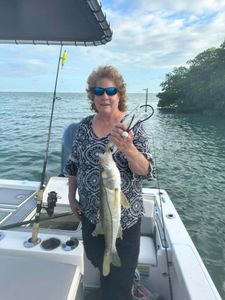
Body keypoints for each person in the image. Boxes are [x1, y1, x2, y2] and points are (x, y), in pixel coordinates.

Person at [64, 65, 153, 300]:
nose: (105, 96)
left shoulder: (131, 127)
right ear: (92, 96)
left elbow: (145, 171)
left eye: (111, 91)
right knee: (98, 261)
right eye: (99, 91)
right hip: (91, 216)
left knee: (120, 282)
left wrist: (128, 148)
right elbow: (73, 165)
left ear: (119, 94)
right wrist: (71, 197)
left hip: (125, 220)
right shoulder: (83, 127)